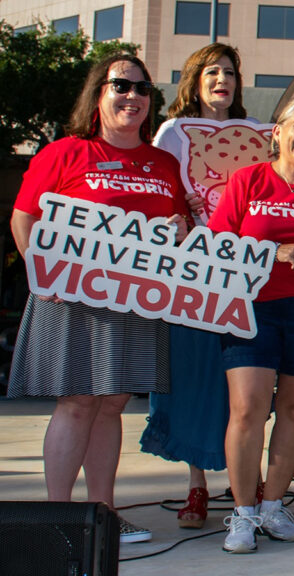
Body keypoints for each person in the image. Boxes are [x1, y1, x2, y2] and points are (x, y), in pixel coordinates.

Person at [8, 54, 189, 544]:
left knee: (112, 405)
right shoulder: (65, 153)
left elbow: (179, 227)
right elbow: (23, 219)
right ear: (99, 94)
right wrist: (41, 273)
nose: (133, 97)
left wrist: (179, 230)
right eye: (121, 86)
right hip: (72, 298)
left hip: (136, 299)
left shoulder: (163, 163)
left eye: (142, 89)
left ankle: (103, 514)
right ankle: (59, 518)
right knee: (77, 404)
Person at [207, 96, 294, 554]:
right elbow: (217, 245)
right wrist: (272, 253)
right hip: (250, 308)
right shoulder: (247, 181)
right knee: (247, 411)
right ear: (277, 132)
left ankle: (272, 506)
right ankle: (243, 513)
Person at [141, 42, 258, 530]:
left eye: (229, 72)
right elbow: (162, 196)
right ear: (195, 79)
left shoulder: (259, 134)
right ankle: (196, 486)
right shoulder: (172, 132)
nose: (222, 80)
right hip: (189, 278)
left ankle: (243, 487)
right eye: (212, 72)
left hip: (243, 279)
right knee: (189, 382)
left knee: (242, 388)